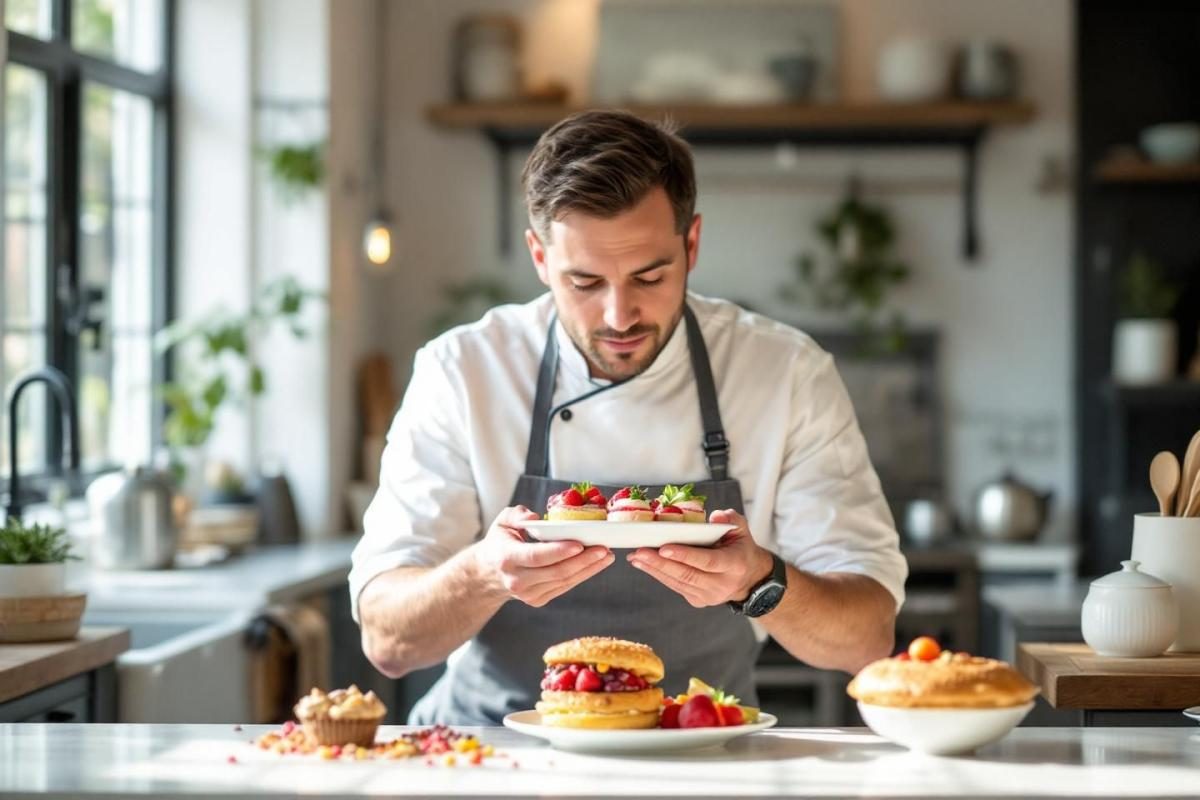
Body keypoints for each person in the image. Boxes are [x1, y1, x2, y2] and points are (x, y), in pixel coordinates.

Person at [350, 110, 908, 725]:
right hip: (488, 753)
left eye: (650, 275)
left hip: (702, 748)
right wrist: (485, 572)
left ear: (691, 244)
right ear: (539, 257)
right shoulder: (463, 371)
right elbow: (387, 640)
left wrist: (758, 580)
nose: (619, 316)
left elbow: (867, 638)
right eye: (584, 281)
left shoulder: (785, 374)